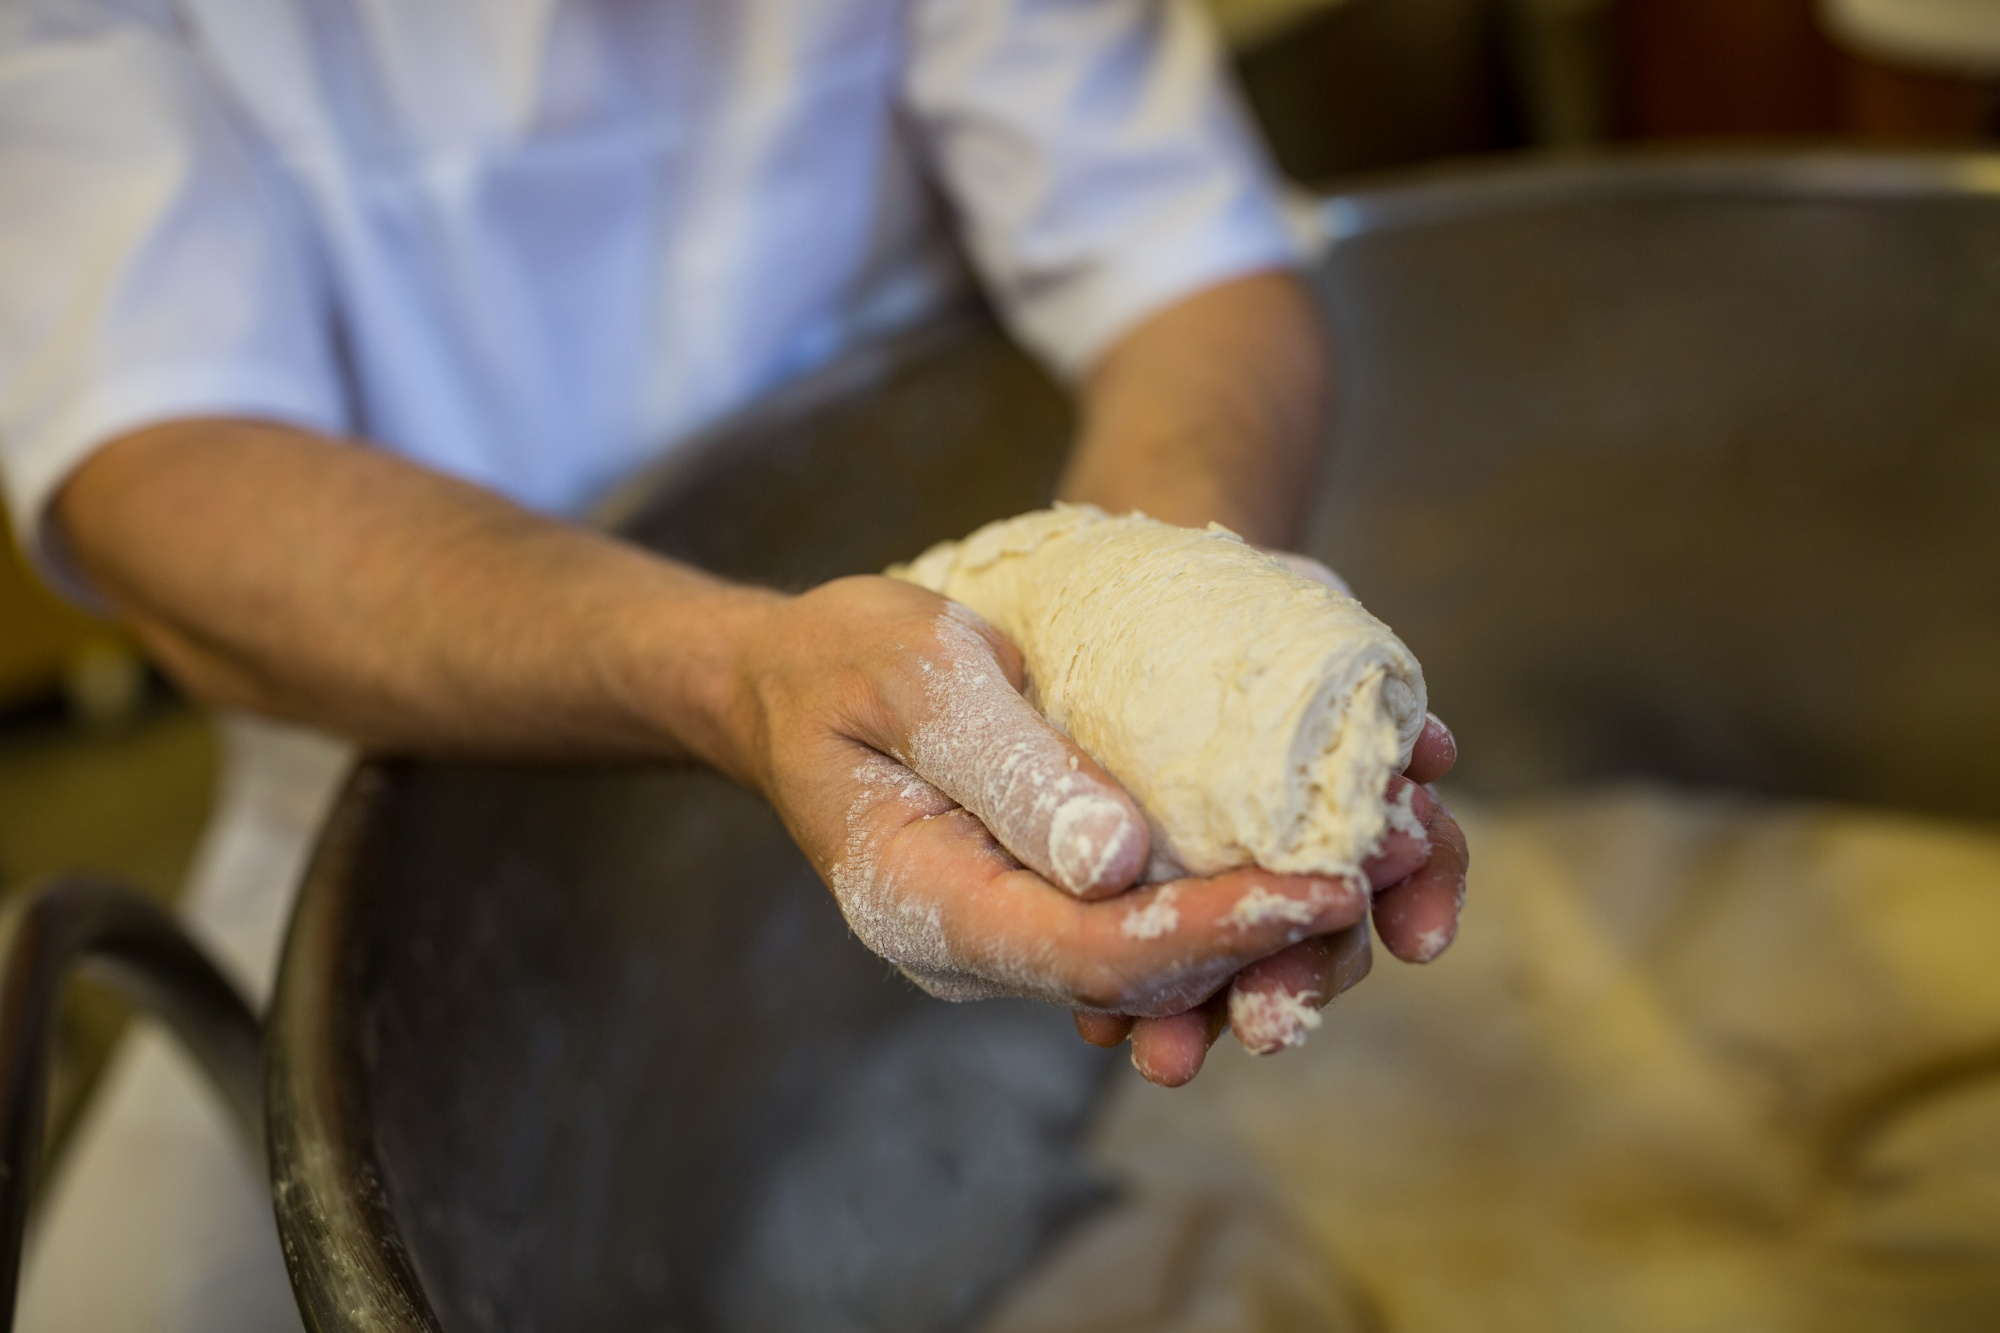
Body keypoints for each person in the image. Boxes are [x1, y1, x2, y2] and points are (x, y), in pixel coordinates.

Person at [0, 0, 1468, 1327]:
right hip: (379, 760)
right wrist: (741, 670)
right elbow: (162, 475)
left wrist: (1171, 642)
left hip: (963, 689)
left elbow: (1187, 267)